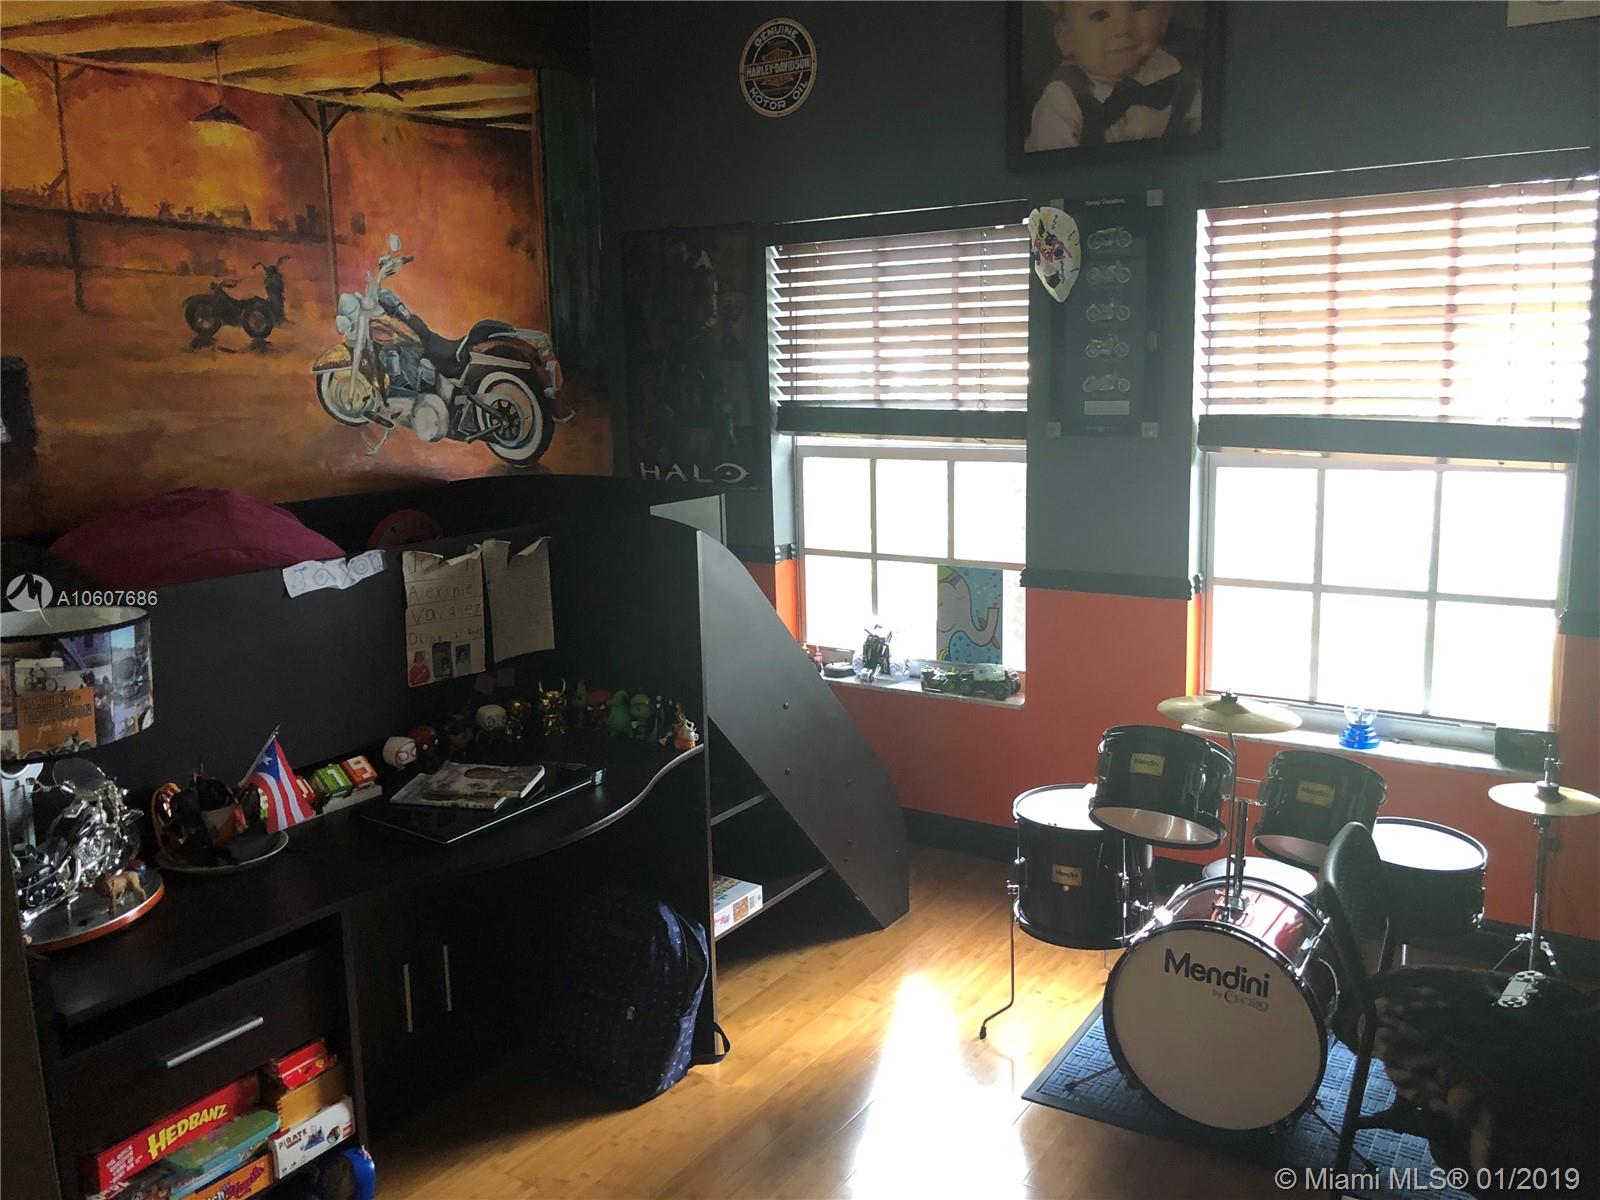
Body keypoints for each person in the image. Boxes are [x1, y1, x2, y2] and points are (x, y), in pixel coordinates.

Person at [1026, 1, 1201, 151]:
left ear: (1164, 16)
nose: (1123, 27)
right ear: (1066, 37)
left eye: (1137, 6)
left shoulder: (1177, 79)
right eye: (1100, 16)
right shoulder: (1062, 98)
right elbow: (1058, 171)